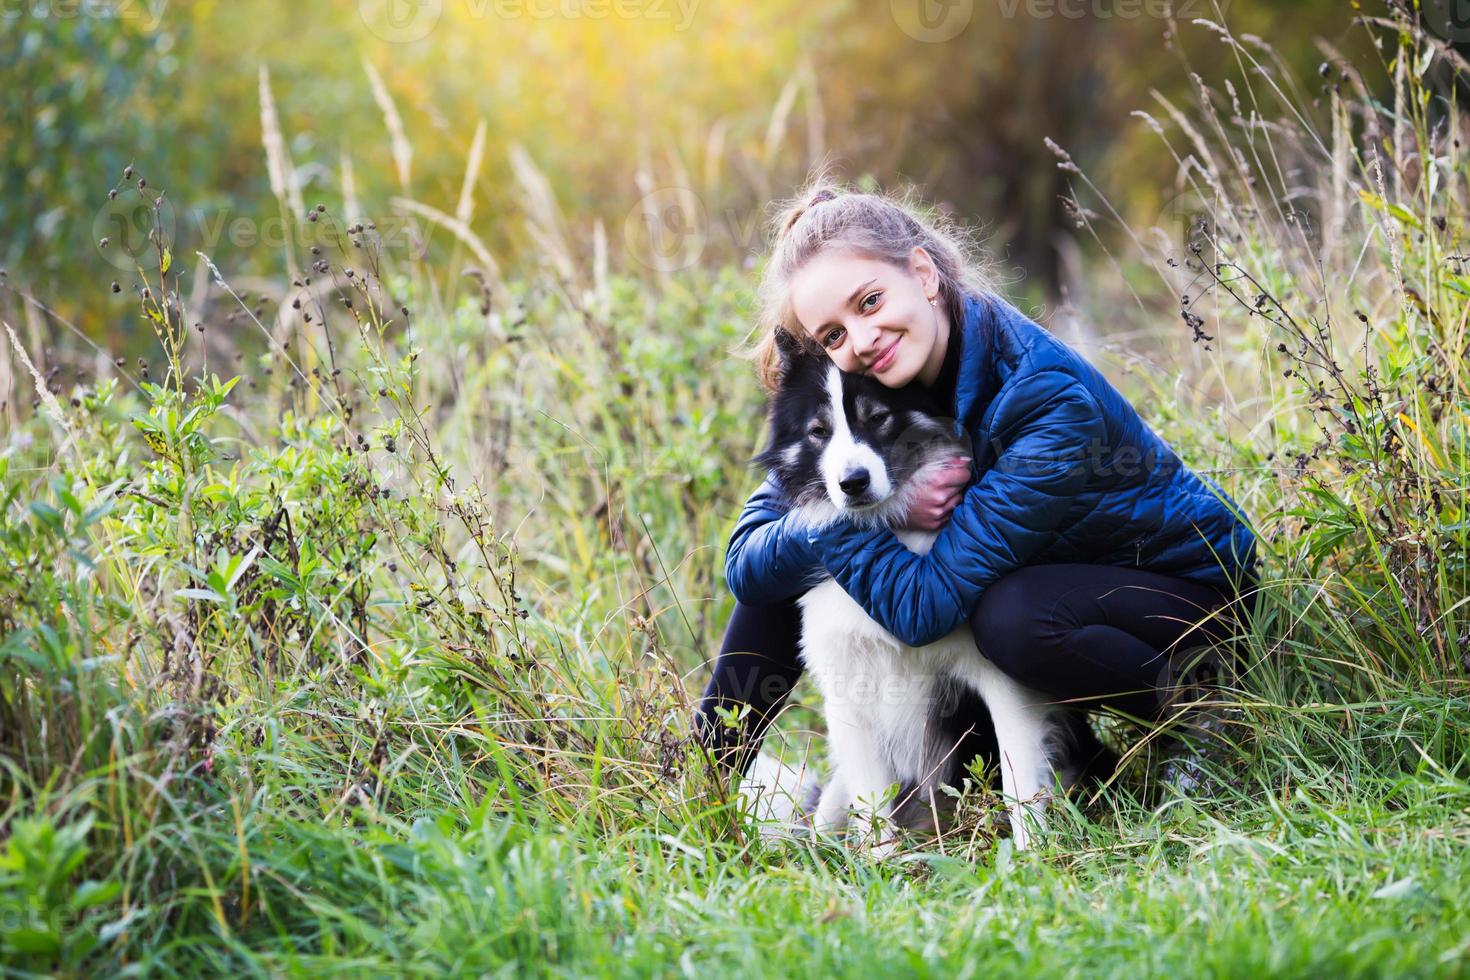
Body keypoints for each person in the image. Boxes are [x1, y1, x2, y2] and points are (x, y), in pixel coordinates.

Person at [694, 177, 1260, 793]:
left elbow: (924, 609)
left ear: (924, 275)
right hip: (1052, 601)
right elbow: (747, 564)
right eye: (833, 335)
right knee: (797, 544)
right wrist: (862, 512)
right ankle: (706, 781)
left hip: (1181, 599)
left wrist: (847, 518)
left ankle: (1206, 711)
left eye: (870, 301)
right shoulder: (865, 386)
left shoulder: (1045, 401)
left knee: (1010, 617)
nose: (860, 339)